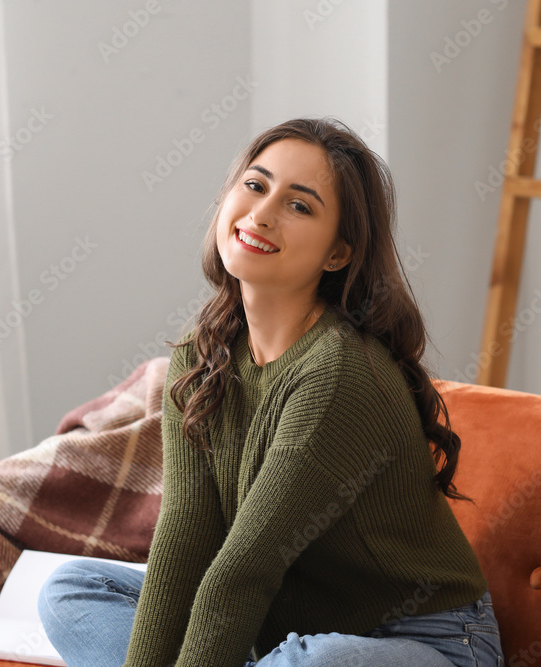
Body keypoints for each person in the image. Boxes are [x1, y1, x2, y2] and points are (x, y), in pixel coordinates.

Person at [38, 117, 505, 666]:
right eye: (256, 186)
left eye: (299, 206)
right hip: (281, 628)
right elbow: (185, 540)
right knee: (72, 590)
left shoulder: (336, 375)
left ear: (338, 254)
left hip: (423, 642)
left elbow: (242, 570)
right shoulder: (200, 356)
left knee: (315, 662)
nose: (262, 214)